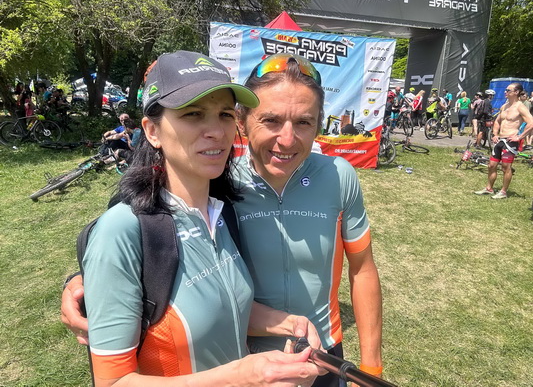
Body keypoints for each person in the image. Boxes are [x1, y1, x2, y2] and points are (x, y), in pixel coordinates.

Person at [62, 53, 384, 386]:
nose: (287, 139)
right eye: (271, 120)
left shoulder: (219, 206)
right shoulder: (223, 188)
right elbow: (134, 230)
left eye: (304, 122)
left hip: (315, 354)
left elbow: (362, 268)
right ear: (244, 122)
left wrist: (368, 365)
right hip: (250, 360)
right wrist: (87, 280)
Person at [474, 83, 533, 199]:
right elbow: (497, 121)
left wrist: (519, 137)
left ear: (516, 92)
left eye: (508, 90)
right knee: (491, 165)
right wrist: (495, 134)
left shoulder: (520, 107)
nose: (505, 92)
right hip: (500, 140)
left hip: (511, 141)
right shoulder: (504, 106)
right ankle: (489, 188)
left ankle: (503, 191)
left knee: (506, 167)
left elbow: (531, 122)